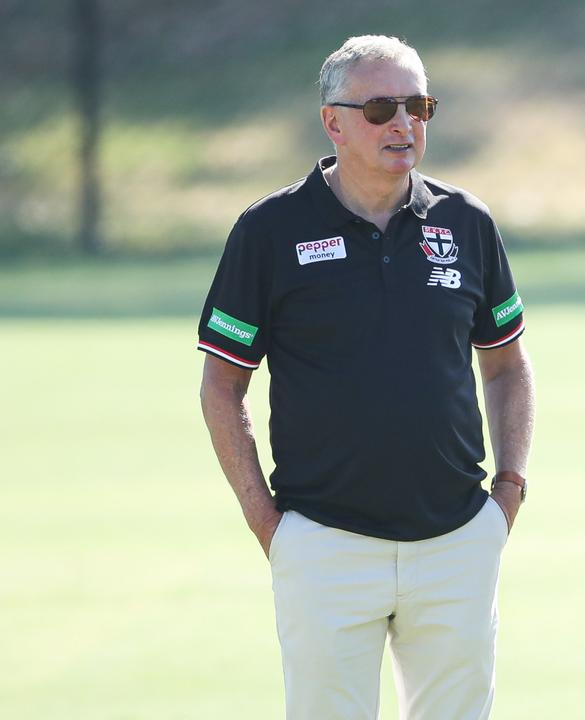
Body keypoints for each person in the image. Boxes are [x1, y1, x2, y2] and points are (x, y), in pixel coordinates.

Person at [198, 35, 533, 720]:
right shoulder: (269, 230)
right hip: (325, 544)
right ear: (335, 123)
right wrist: (267, 522)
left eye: (419, 106)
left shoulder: (466, 222)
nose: (404, 124)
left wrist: (508, 492)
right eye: (382, 107)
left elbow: (507, 364)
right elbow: (221, 385)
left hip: (456, 541)